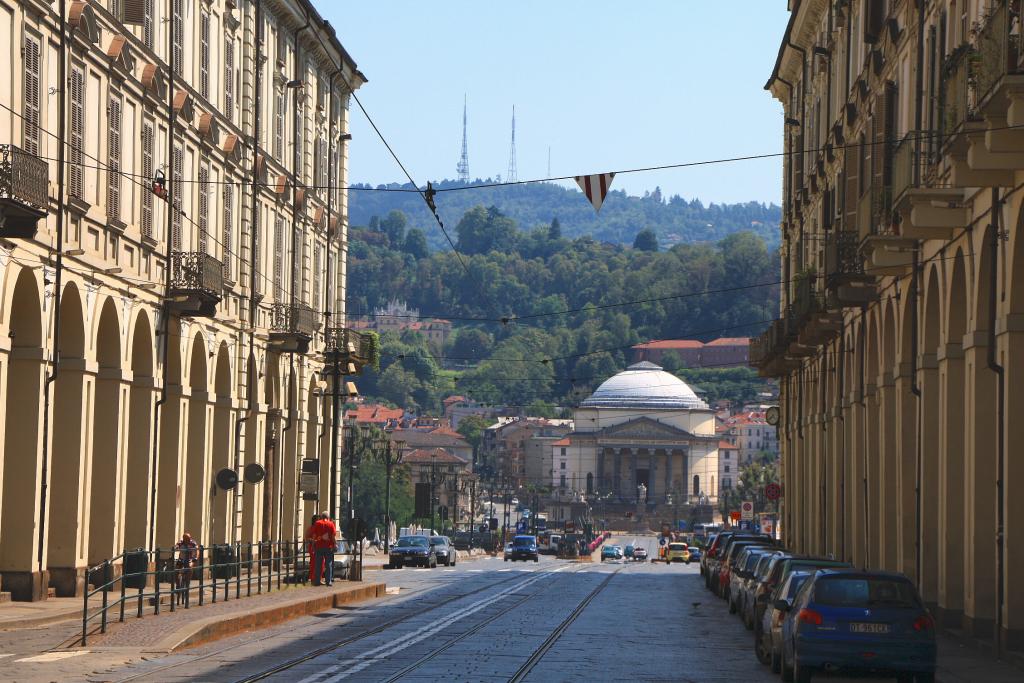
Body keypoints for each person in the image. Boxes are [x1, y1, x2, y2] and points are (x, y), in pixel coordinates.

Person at [312, 512, 337, 585]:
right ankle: (328, 581)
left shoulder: (317, 523)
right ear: (328, 517)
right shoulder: (331, 524)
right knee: (328, 564)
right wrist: (335, 544)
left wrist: (313, 544)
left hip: (318, 546)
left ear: (321, 517)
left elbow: (314, 535)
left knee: (318, 564)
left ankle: (317, 581)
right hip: (328, 547)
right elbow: (333, 536)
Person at [174, 532, 198, 605]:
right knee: (176, 570)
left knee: (190, 568)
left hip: (189, 559)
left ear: (190, 538)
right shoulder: (181, 542)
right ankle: (178, 585)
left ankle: (187, 583)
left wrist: (195, 559)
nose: (186, 540)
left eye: (187, 538)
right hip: (181, 559)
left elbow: (197, 551)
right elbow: (176, 546)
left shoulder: (193, 543)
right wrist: (175, 547)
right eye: (185, 538)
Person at [305, 514, 321, 582]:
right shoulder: (310, 528)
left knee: (321, 563)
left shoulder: (321, 528)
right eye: (317, 520)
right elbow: (307, 538)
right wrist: (312, 540)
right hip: (313, 547)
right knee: (313, 563)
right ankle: (313, 577)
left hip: (320, 547)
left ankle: (319, 578)